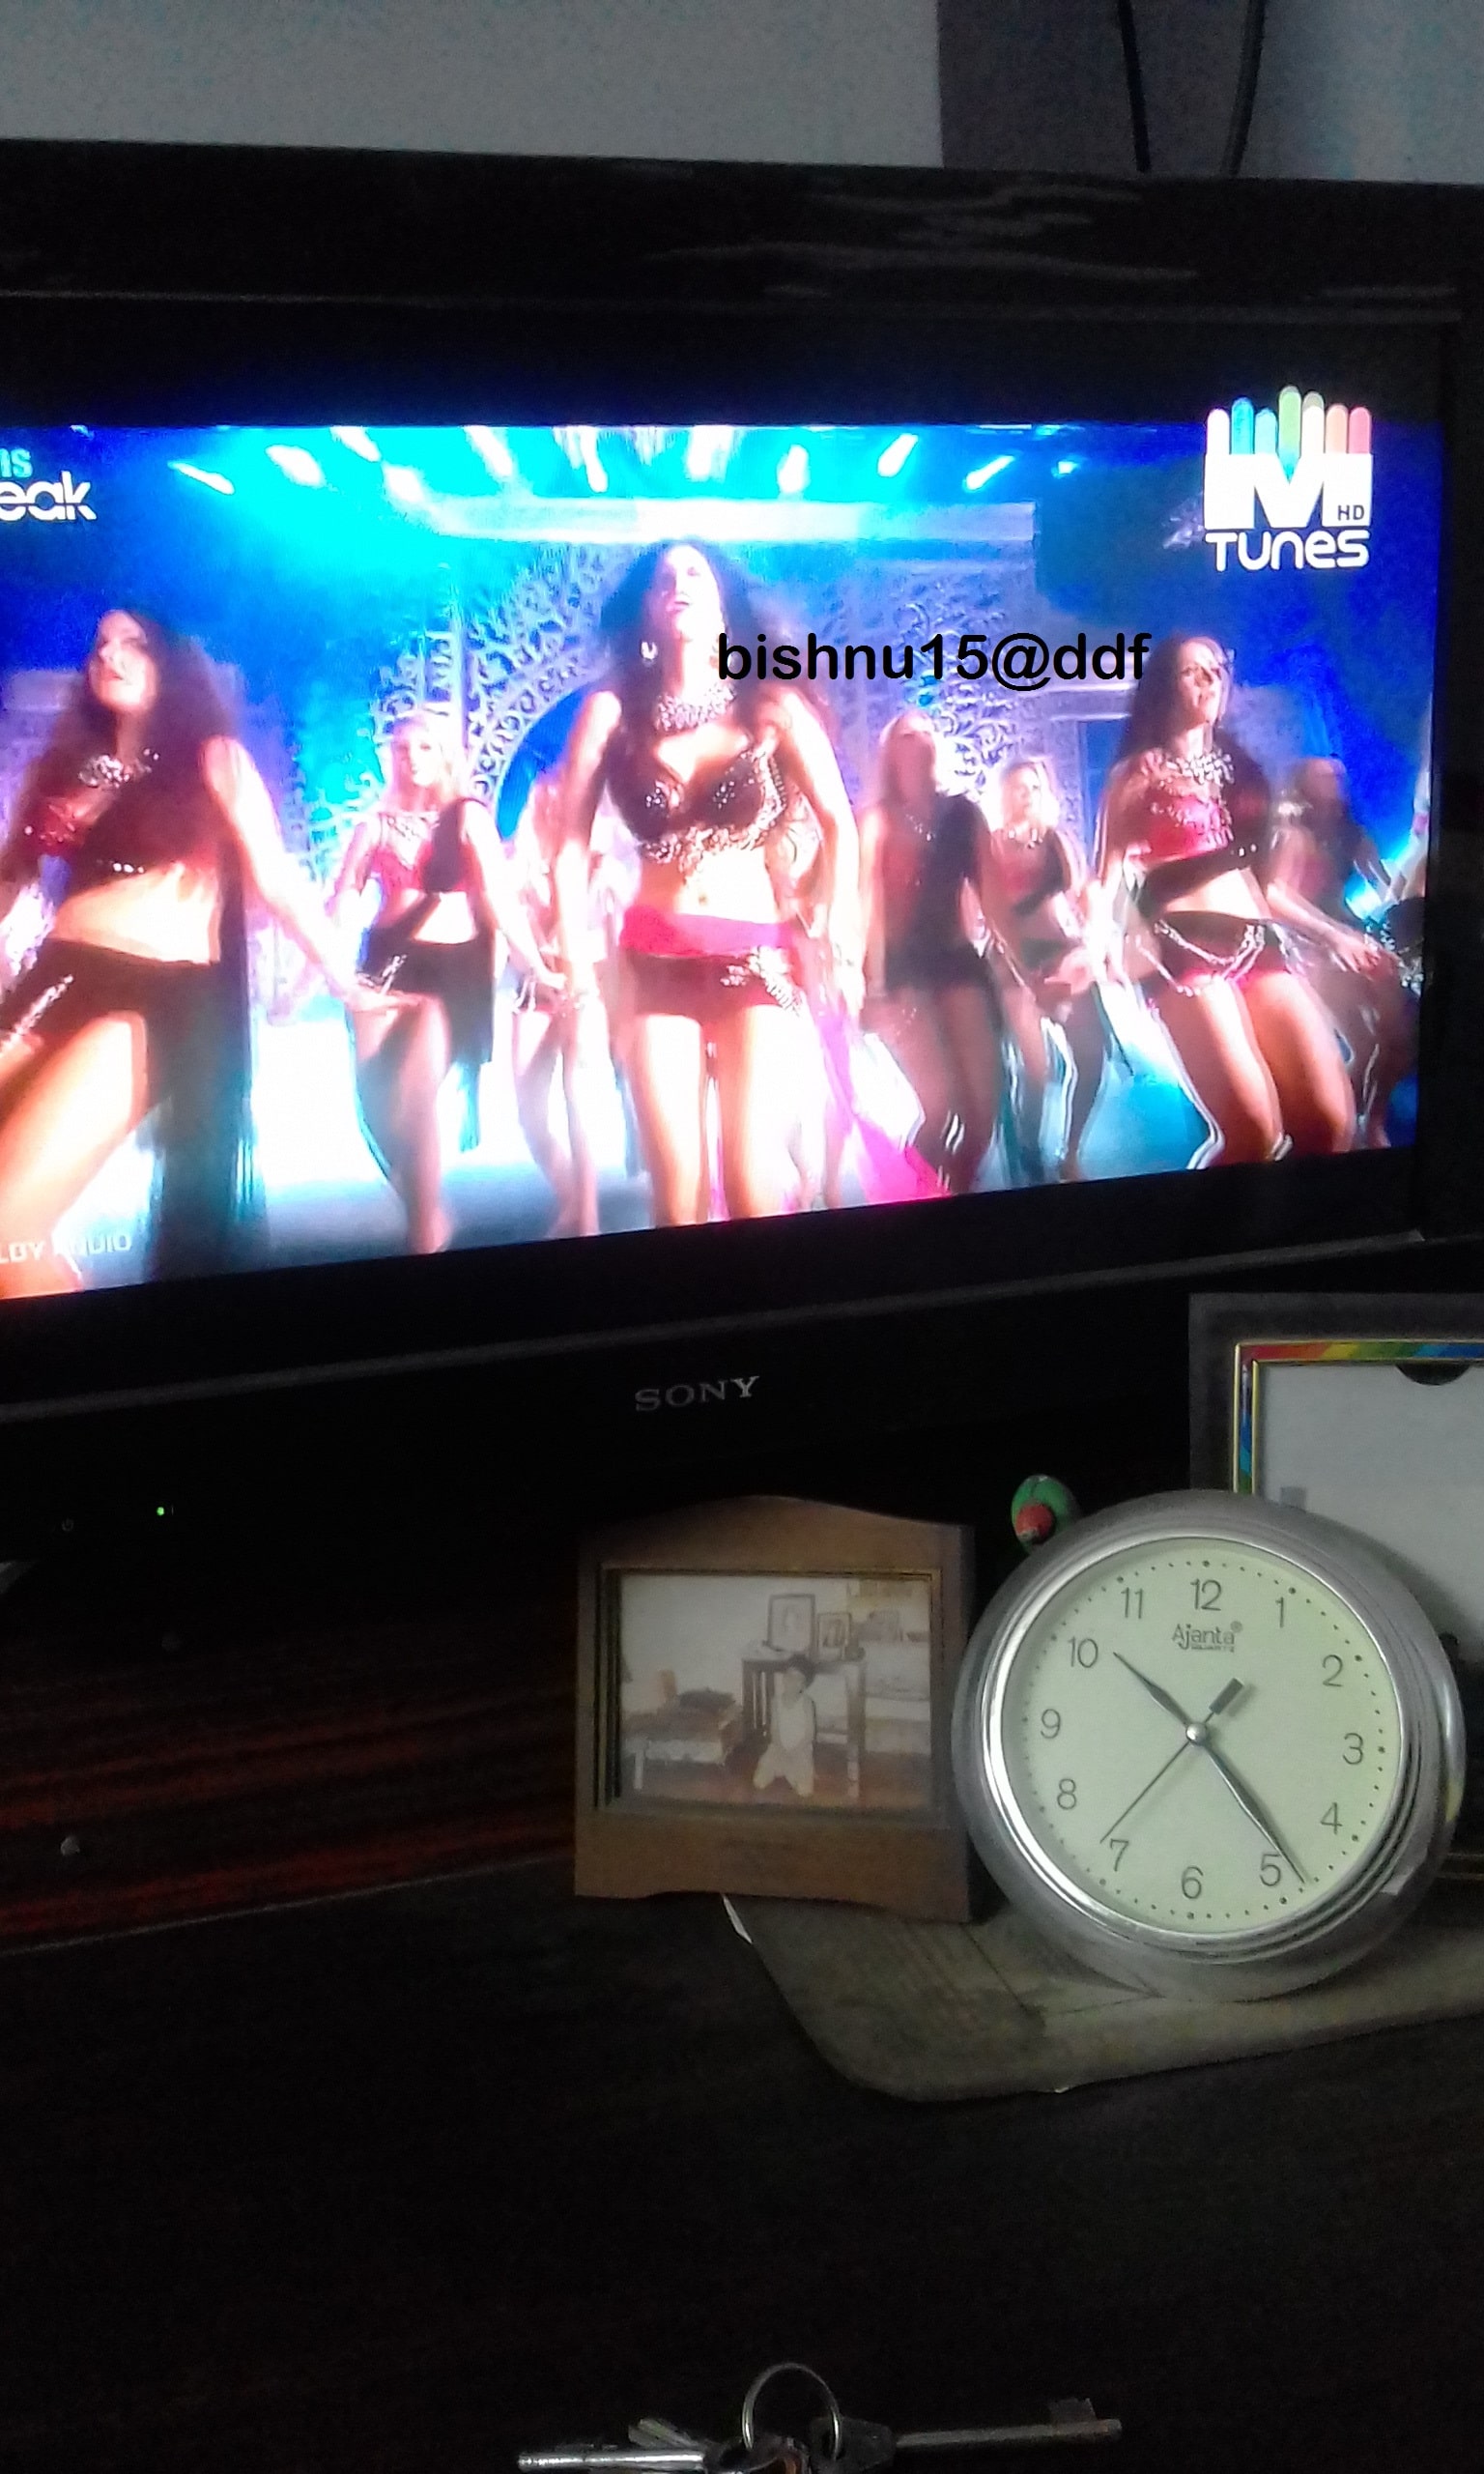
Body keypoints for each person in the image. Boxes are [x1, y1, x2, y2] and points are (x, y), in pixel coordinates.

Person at [0, 607, 366, 1297]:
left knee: (6, 1226)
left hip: (148, 998)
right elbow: (10, 879)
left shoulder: (211, 760)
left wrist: (346, 980)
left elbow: (277, 880)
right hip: (53, 981)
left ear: (169, 663)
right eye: (100, 645)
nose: (109, 656)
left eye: (132, 645)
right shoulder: (69, 771)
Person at [554, 542, 862, 1226]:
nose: (678, 584)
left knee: (752, 1185)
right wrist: (577, 971)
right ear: (646, 609)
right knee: (677, 1195)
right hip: (654, 961)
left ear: (724, 601)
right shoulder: (611, 713)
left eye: (695, 572)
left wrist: (839, 941)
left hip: (756, 960)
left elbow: (840, 824)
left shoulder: (772, 707)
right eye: (663, 578)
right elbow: (569, 847)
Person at [301, 708, 560, 1254]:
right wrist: (308, 977)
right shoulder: (373, 825)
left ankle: (423, 1234)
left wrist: (536, 967)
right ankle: (427, 1214)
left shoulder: (468, 818)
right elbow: (342, 904)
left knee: (414, 1097)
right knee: (374, 1103)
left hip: (451, 973)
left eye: (425, 748)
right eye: (402, 749)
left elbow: (499, 899)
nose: (413, 759)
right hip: (385, 966)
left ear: (445, 755)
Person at [1095, 635, 1355, 1166]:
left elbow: (1266, 882)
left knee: (1328, 1123)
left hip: (1257, 943)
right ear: (1166, 687)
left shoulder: (1242, 771)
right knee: (1253, 1134)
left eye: (1216, 667)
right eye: (1192, 671)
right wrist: (1105, 943)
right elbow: (1105, 876)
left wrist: (1331, 935)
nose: (1210, 678)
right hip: (1184, 949)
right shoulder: (1138, 774)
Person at [859, 709, 1008, 1194]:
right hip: (901, 969)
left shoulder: (964, 815)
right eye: (907, 733)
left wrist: (1030, 969)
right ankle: (913, 1192)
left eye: (927, 731)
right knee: (940, 1107)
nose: (920, 739)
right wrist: (873, 987)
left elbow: (996, 902)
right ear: (889, 752)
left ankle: (954, 1191)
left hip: (957, 961)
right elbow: (867, 907)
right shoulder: (877, 821)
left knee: (981, 1114)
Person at [1265, 757, 1413, 1146]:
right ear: (1302, 784)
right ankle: (1329, 1129)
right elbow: (1276, 895)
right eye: (1323, 774)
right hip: (1311, 943)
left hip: (1350, 932)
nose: (1335, 778)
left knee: (1397, 1039)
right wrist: (1330, 935)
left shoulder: (1350, 831)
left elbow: (1383, 882)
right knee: (1363, 1045)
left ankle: (1368, 1121)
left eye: (1337, 774)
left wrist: (1413, 879)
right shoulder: (1294, 833)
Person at [506, 766, 624, 1236]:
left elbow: (619, 940)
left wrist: (622, 1007)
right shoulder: (520, 864)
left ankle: (588, 1215)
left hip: (587, 982)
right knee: (528, 1109)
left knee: (580, 1093)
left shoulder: (604, 865)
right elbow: (507, 930)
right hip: (536, 986)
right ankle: (570, 1195)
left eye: (564, 802)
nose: (555, 809)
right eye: (548, 801)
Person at [983, 754, 1106, 1182]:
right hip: (1014, 962)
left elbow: (1085, 892)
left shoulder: (1057, 840)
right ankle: (1029, 1149)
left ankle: (1070, 1152)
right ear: (1003, 795)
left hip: (1064, 954)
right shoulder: (991, 846)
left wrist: (1089, 946)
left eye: (1035, 787)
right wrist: (1025, 973)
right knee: (1037, 1069)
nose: (1027, 796)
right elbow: (988, 913)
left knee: (1091, 1058)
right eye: (1019, 788)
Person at [753, 1656, 817, 1798]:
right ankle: (784, 1769)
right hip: (779, 1747)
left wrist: (796, 1750)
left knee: (804, 1791)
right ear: (783, 1677)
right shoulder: (776, 1702)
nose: (792, 1680)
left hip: (801, 1749)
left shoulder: (807, 1703)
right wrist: (781, 1748)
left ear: (804, 1685)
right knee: (759, 1782)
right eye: (789, 1675)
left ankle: (793, 1772)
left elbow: (810, 1733)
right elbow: (774, 1729)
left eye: (798, 1678)